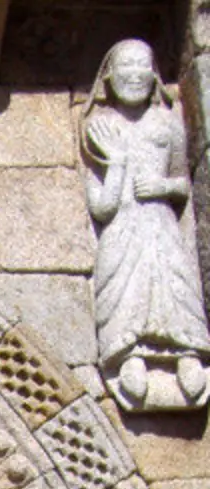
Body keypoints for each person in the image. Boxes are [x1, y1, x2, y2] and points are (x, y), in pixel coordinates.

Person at [82, 38, 210, 405]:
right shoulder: (100, 128)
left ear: (155, 76)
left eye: (142, 66)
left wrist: (161, 186)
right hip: (122, 228)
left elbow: (182, 183)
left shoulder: (167, 124)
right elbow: (103, 207)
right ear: (108, 77)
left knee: (176, 284)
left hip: (161, 224)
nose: (134, 75)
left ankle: (187, 354)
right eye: (125, 67)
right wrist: (118, 161)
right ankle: (129, 356)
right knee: (123, 288)